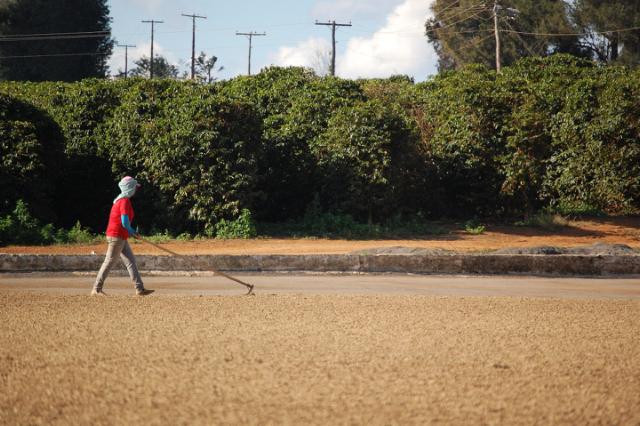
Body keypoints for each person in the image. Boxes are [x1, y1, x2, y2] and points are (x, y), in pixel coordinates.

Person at [92, 176, 154, 296]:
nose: (136, 189)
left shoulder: (122, 200)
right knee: (109, 261)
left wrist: (131, 233)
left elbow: (125, 224)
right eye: (134, 187)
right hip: (116, 236)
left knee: (131, 261)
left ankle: (139, 289)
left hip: (120, 236)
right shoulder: (124, 201)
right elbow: (125, 223)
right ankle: (96, 289)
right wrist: (133, 233)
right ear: (130, 188)